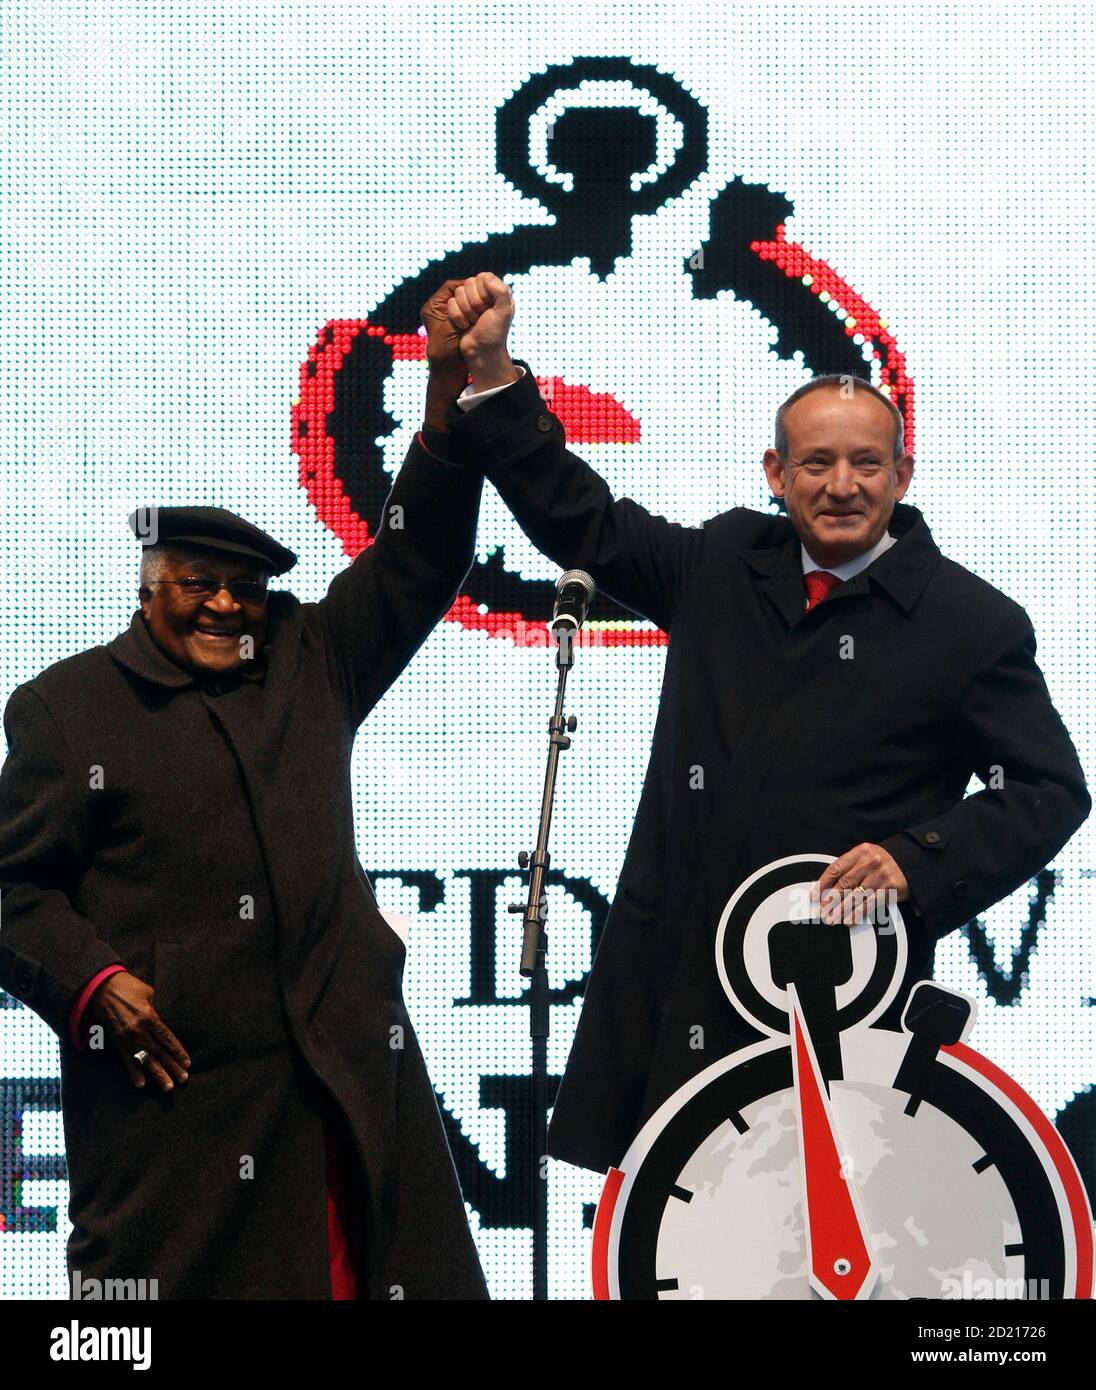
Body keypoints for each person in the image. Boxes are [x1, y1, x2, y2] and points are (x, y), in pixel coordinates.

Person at [418, 271, 1091, 1175]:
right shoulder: (724, 563)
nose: (842, 485)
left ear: (903, 473)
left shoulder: (970, 623)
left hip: (844, 1001)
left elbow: (1048, 791)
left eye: (866, 463)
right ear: (776, 474)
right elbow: (582, 520)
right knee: (666, 1243)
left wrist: (917, 856)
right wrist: (492, 369)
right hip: (682, 985)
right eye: (816, 463)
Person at [0, 284, 490, 1298]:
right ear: (148, 586)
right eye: (198, 580)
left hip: (351, 1095)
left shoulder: (311, 660)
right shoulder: (66, 711)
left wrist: (446, 389)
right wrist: (94, 982)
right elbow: (10, 892)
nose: (227, 602)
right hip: (179, 1124)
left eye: (246, 585)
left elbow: (418, 558)